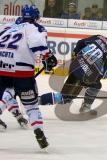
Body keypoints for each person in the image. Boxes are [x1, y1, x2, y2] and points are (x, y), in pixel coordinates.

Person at [0, 5, 57, 149]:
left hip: (1, 67)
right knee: (31, 105)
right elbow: (37, 43)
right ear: (36, 17)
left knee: (7, 92)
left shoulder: (7, 26)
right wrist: (48, 57)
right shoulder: (34, 27)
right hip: (21, 70)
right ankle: (39, 131)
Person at [39, 33, 107, 115]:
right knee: (65, 97)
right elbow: (103, 74)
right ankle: (35, 101)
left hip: (75, 65)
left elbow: (80, 42)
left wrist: (75, 55)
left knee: (96, 85)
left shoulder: (100, 38)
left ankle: (86, 107)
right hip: (83, 74)